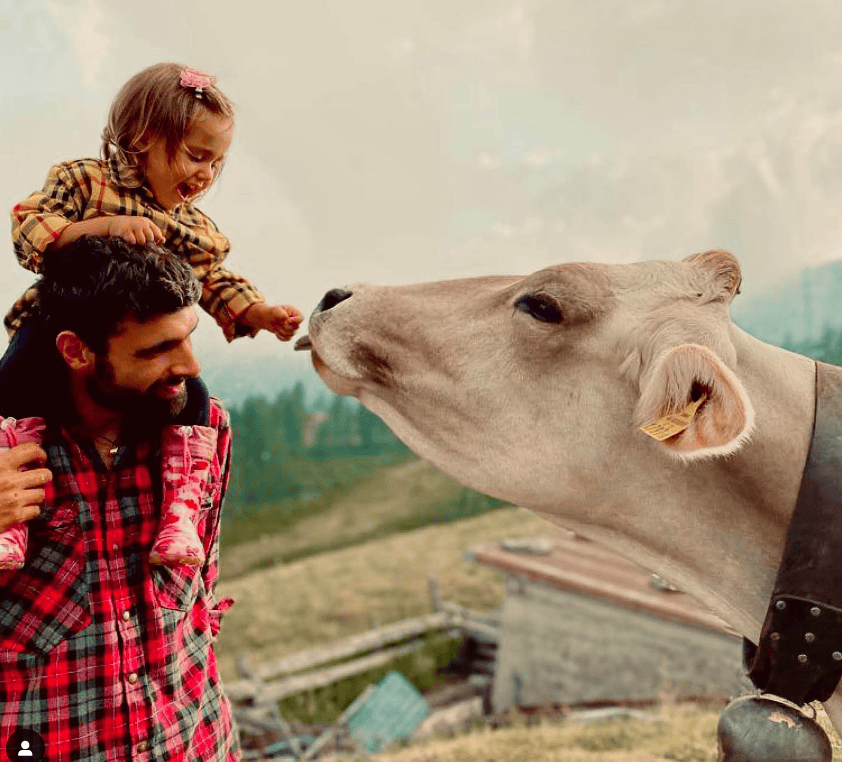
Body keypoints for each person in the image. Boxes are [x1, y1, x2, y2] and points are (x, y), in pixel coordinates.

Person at [0, 61, 303, 568]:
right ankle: (13, 521)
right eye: (195, 156)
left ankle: (181, 509)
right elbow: (29, 225)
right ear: (141, 137)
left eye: (216, 163)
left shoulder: (193, 227)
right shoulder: (83, 182)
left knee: (196, 401)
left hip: (132, 348)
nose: (205, 174)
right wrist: (99, 227)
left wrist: (258, 310)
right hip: (56, 324)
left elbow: (211, 279)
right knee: (11, 388)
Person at [0, 235, 239, 760]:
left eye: (187, 337)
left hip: (196, 743)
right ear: (76, 351)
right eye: (156, 350)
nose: (190, 367)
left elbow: (202, 590)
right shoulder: (9, 451)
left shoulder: (206, 430)